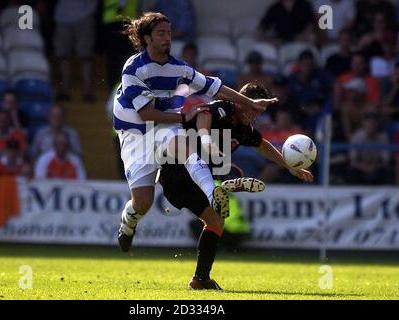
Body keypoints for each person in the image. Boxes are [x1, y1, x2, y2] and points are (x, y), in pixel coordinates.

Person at [114, 13, 277, 256]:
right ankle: (129, 221)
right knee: (143, 203)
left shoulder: (179, 67)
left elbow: (216, 87)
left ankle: (213, 193)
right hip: (136, 133)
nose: (167, 38)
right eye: (161, 33)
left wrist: (250, 104)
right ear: (147, 38)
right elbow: (147, 115)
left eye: (169, 33)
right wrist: (184, 117)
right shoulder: (134, 68)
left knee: (183, 145)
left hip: (166, 126)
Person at [158, 82, 313, 289]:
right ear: (242, 103)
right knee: (212, 214)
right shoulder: (225, 109)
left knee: (215, 222)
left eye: (260, 112)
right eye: (254, 109)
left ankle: (200, 279)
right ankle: (225, 183)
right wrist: (207, 139)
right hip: (176, 169)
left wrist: (290, 167)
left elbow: (262, 145)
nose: (256, 116)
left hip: (190, 178)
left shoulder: (243, 129)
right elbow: (204, 113)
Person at [54, 0, 98, 102]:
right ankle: (64, 90)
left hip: (86, 14)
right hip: (62, 15)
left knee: (86, 56)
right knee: (63, 55)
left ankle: (87, 92)